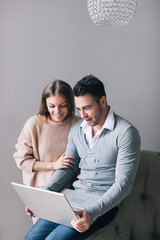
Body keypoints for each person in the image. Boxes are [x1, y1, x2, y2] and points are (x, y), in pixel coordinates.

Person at [24, 74, 141, 240]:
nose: (83, 115)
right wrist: (43, 197)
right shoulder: (77, 129)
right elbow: (68, 168)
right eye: (79, 109)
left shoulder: (126, 133)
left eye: (87, 107)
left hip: (102, 206)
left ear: (102, 101)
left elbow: (124, 184)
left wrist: (91, 213)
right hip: (73, 198)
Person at [14, 79, 80, 223]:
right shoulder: (34, 124)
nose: (57, 111)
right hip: (41, 193)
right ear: (45, 104)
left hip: (71, 194)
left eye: (63, 106)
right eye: (52, 106)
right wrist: (53, 165)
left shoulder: (79, 124)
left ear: (70, 103)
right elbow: (22, 160)